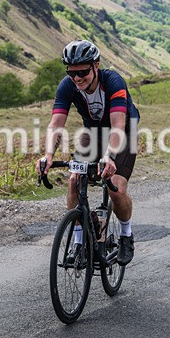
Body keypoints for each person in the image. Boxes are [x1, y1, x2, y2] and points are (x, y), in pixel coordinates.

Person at [39, 39, 139, 266]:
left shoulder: (113, 82)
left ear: (96, 65)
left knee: (116, 188)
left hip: (123, 132)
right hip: (92, 132)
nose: (77, 78)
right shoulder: (67, 85)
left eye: (83, 72)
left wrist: (109, 156)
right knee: (74, 180)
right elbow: (56, 123)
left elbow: (117, 126)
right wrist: (48, 155)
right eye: (72, 73)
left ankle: (126, 235)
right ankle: (79, 242)